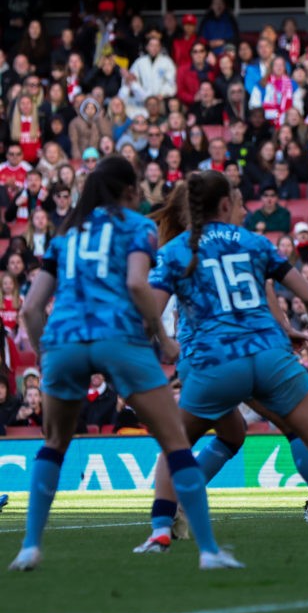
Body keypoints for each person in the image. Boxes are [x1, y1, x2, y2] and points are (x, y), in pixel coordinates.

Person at [144, 171, 308, 549]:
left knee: (215, 437)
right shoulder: (253, 243)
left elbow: (153, 314)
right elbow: (292, 295)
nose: (242, 207)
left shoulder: (175, 249)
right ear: (223, 204)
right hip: (262, 354)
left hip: (209, 358)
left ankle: (163, 524)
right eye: (237, 199)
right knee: (307, 435)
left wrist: (166, 346)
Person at [9, 156, 241, 571]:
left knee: (54, 444)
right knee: (174, 442)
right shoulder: (138, 227)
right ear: (131, 190)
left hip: (64, 338)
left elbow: (29, 309)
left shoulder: (66, 234)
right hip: (119, 336)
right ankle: (208, 550)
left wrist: (49, 354)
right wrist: (163, 338)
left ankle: (29, 546)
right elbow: (136, 282)